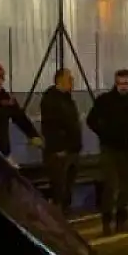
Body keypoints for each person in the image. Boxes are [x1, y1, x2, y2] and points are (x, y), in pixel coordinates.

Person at [86, 68, 128, 235]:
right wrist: (104, 133)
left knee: (126, 186)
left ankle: (122, 221)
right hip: (109, 148)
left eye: (126, 83)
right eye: (120, 83)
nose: (123, 86)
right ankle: (107, 222)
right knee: (111, 185)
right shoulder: (105, 101)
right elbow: (91, 120)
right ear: (115, 83)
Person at [39, 69, 83, 211]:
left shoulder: (67, 99)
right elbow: (50, 126)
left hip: (72, 150)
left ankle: (65, 212)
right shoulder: (51, 99)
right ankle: (57, 214)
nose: (72, 81)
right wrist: (58, 148)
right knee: (59, 187)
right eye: (69, 79)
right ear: (60, 80)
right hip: (59, 152)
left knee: (67, 188)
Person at [0, 62, 41, 161]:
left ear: (2, 80)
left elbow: (20, 118)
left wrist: (33, 135)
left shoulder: (7, 100)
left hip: (2, 150)